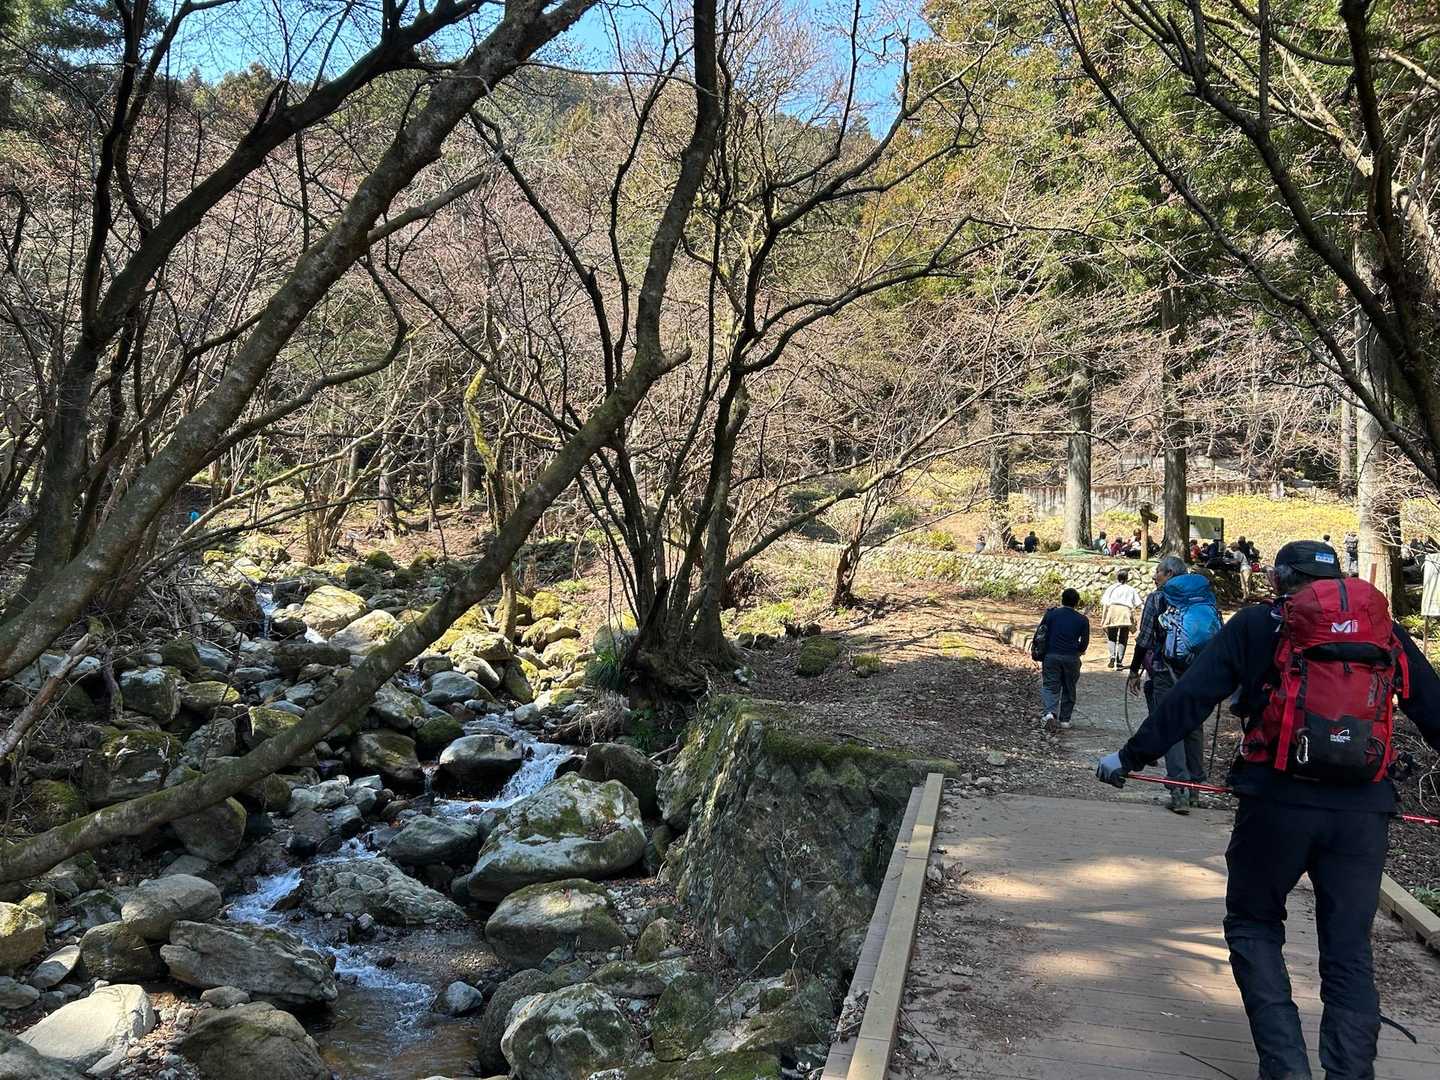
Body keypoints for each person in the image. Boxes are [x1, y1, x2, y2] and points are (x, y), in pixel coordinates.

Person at [1097, 541, 1440, 1080]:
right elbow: (1433, 709)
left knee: (1254, 925)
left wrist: (1129, 757)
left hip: (1275, 804)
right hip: (1362, 814)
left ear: (1279, 579)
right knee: (1348, 950)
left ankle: (1285, 1068)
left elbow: (1191, 697)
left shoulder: (1258, 625)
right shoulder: (1382, 633)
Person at [1127, 555, 1216, 813]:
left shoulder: (1158, 597)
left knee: (1170, 726)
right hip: (1198, 672)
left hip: (1165, 672)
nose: (1154, 576)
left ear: (1169, 574)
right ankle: (1195, 789)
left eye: (1158, 572)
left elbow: (1144, 638)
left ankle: (1179, 791)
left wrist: (1134, 671)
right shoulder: (1204, 596)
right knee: (1193, 726)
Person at [1036, 587, 1089, 731]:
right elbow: (1084, 644)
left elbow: (1041, 633)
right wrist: (1078, 651)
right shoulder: (1082, 620)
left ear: (1062, 600)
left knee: (1050, 686)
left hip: (1051, 655)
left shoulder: (1051, 615)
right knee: (1069, 687)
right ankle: (1065, 720)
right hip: (1071, 657)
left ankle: (1050, 714)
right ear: (1077, 602)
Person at [1099, 569, 1141, 669]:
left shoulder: (1111, 588)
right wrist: (1135, 617)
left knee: (1111, 636)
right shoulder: (1130, 589)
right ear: (1127, 578)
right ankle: (1119, 661)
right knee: (1123, 637)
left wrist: (1103, 618)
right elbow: (1138, 604)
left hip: (1113, 611)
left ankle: (1112, 656)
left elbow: (1105, 604)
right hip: (1125, 612)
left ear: (1117, 577)